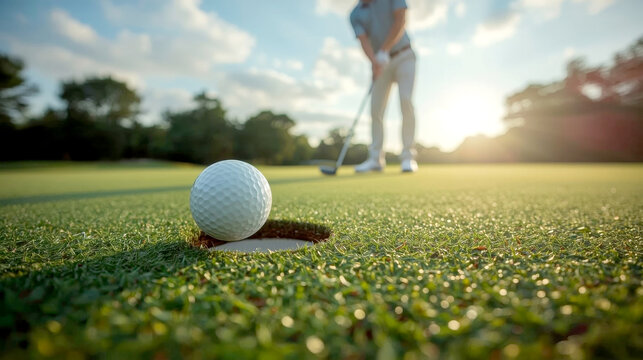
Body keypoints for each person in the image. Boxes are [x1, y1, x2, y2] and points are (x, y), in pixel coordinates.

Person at [350, 0, 418, 173]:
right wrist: (374, 61)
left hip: (404, 55)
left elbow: (400, 19)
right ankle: (375, 159)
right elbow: (363, 41)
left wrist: (384, 50)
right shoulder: (355, 14)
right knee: (376, 110)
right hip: (380, 63)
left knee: (405, 101)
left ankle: (408, 157)